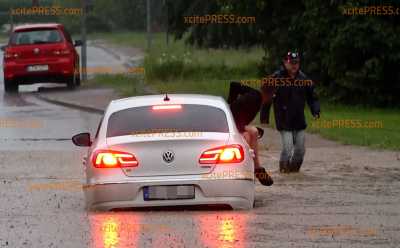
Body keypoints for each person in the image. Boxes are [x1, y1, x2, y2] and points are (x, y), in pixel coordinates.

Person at [260, 51, 320, 173]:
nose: (294, 65)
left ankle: (294, 173)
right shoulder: (276, 78)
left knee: (300, 150)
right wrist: (264, 117)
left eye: (296, 63)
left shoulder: (304, 79)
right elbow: (266, 97)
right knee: (287, 148)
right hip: (283, 120)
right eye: (291, 63)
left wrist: (315, 109)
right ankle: (283, 171)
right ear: (285, 62)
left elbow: (312, 97)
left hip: (299, 120)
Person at [228, 81, 274, 186]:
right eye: (273, 96)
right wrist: (229, 107)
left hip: (232, 121)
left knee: (250, 134)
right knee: (253, 132)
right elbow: (236, 117)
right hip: (229, 123)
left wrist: (229, 103)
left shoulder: (254, 94)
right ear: (269, 95)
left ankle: (252, 170)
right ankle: (257, 169)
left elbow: (234, 85)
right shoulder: (255, 100)